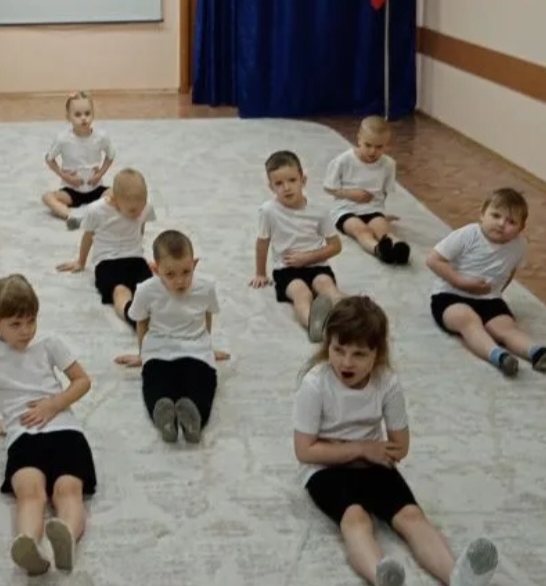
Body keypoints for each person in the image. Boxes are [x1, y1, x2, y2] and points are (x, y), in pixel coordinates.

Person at [293, 296, 499, 586]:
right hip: (325, 468)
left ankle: (458, 579)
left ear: (377, 354)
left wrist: (377, 453)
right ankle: (385, 581)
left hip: (373, 463)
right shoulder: (315, 384)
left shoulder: (387, 383)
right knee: (356, 519)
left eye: (359, 354)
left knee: (412, 517)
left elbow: (401, 445)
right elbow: (304, 450)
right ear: (327, 345)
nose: (346, 362)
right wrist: (361, 448)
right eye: (338, 350)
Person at [0, 274, 96, 576]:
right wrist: (9, 423)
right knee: (30, 493)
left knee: (68, 491)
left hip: (64, 431)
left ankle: (66, 537)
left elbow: (82, 381)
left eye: (31, 321)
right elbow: (4, 400)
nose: (26, 331)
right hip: (23, 436)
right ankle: (28, 544)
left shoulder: (49, 344)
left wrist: (53, 404)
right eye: (16, 324)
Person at [426, 187, 546, 376]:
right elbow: (433, 260)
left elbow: (510, 270)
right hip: (450, 296)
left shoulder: (519, 245)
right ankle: (498, 356)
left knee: (506, 326)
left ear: (521, 228)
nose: (501, 224)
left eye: (511, 221)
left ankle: (537, 352)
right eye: (496, 216)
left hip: (488, 299)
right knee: (468, 320)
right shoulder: (468, 235)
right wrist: (460, 281)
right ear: (482, 214)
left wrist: (497, 293)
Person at [115, 230, 229, 444]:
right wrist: (143, 354)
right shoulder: (146, 290)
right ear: (155, 269)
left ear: (194, 264)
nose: (180, 281)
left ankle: (195, 419)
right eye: (170, 274)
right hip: (159, 349)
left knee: (202, 381)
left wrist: (207, 345)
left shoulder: (206, 287)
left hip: (196, 349)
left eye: (186, 272)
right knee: (156, 380)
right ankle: (164, 418)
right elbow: (141, 321)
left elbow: (207, 314)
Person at [250, 150, 344, 342]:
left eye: (292, 180)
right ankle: (314, 324)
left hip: (317, 265)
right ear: (271, 187)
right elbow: (262, 243)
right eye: (279, 183)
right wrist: (260, 273)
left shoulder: (319, 212)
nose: (286, 188)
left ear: (303, 180)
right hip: (287, 270)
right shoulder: (268, 211)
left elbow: (335, 246)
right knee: (301, 293)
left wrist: (308, 257)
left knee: (327, 286)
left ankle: (351, 318)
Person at [56, 168, 155, 328]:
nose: (138, 213)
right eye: (132, 210)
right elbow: (88, 236)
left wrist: (140, 253)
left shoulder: (143, 208)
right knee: (120, 291)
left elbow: (140, 230)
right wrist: (81, 262)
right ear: (114, 200)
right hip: (108, 262)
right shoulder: (97, 211)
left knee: (150, 289)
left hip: (136, 259)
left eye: (142, 206)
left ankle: (158, 317)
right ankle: (132, 316)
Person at [323, 115, 410, 264]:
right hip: (345, 210)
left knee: (383, 229)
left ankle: (398, 248)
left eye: (379, 147)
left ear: (387, 144)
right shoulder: (343, 161)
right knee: (362, 230)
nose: (372, 151)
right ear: (359, 139)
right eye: (368, 145)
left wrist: (382, 214)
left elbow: (384, 192)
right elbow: (329, 187)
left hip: (372, 209)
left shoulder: (389, 164)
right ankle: (378, 250)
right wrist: (350, 194)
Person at [41, 91, 115, 222]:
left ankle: (100, 214)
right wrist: (65, 176)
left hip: (96, 189)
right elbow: (49, 159)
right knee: (47, 197)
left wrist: (100, 174)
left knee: (120, 193)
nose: (83, 118)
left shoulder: (101, 137)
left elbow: (110, 155)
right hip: (72, 191)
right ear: (68, 117)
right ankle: (70, 216)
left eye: (87, 113)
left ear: (93, 114)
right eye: (77, 115)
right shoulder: (62, 139)